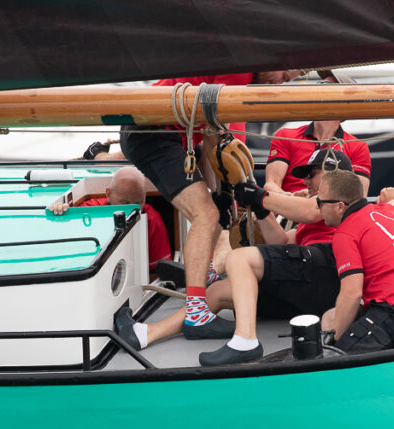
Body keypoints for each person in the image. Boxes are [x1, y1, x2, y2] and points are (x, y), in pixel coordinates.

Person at [119, 71, 300, 340]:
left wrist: (220, 194)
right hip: (155, 134)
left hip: (161, 135)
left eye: (289, 79)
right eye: (283, 74)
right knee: (205, 214)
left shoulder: (243, 69)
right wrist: (224, 195)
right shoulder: (240, 68)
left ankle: (204, 276)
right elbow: (213, 134)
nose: (282, 81)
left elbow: (207, 141)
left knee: (213, 213)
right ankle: (196, 313)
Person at [195, 149, 370, 366]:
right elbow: (282, 242)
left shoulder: (336, 206)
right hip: (307, 279)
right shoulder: (310, 220)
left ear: (334, 176)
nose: (305, 181)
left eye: (311, 174)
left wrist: (261, 197)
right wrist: (261, 211)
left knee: (239, 257)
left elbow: (310, 210)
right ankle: (169, 327)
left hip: (327, 271)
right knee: (216, 292)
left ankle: (245, 340)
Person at [319, 171, 394, 352]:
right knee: (331, 317)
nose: (318, 209)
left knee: (338, 356)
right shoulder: (389, 211)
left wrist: (335, 342)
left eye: (320, 202)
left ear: (339, 207)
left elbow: (352, 293)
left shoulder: (345, 233)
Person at [264, 75, 370, 197]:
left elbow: (358, 196)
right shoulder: (285, 136)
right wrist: (294, 200)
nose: (318, 90)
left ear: (345, 103)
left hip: (330, 206)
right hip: (288, 206)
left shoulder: (357, 147)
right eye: (319, 84)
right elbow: (271, 184)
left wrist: (313, 199)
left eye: (326, 87)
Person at [48, 166, 171, 271]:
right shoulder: (91, 211)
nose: (132, 210)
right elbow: (66, 228)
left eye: (138, 203)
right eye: (125, 203)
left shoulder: (152, 220)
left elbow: (157, 273)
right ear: (108, 194)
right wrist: (59, 210)